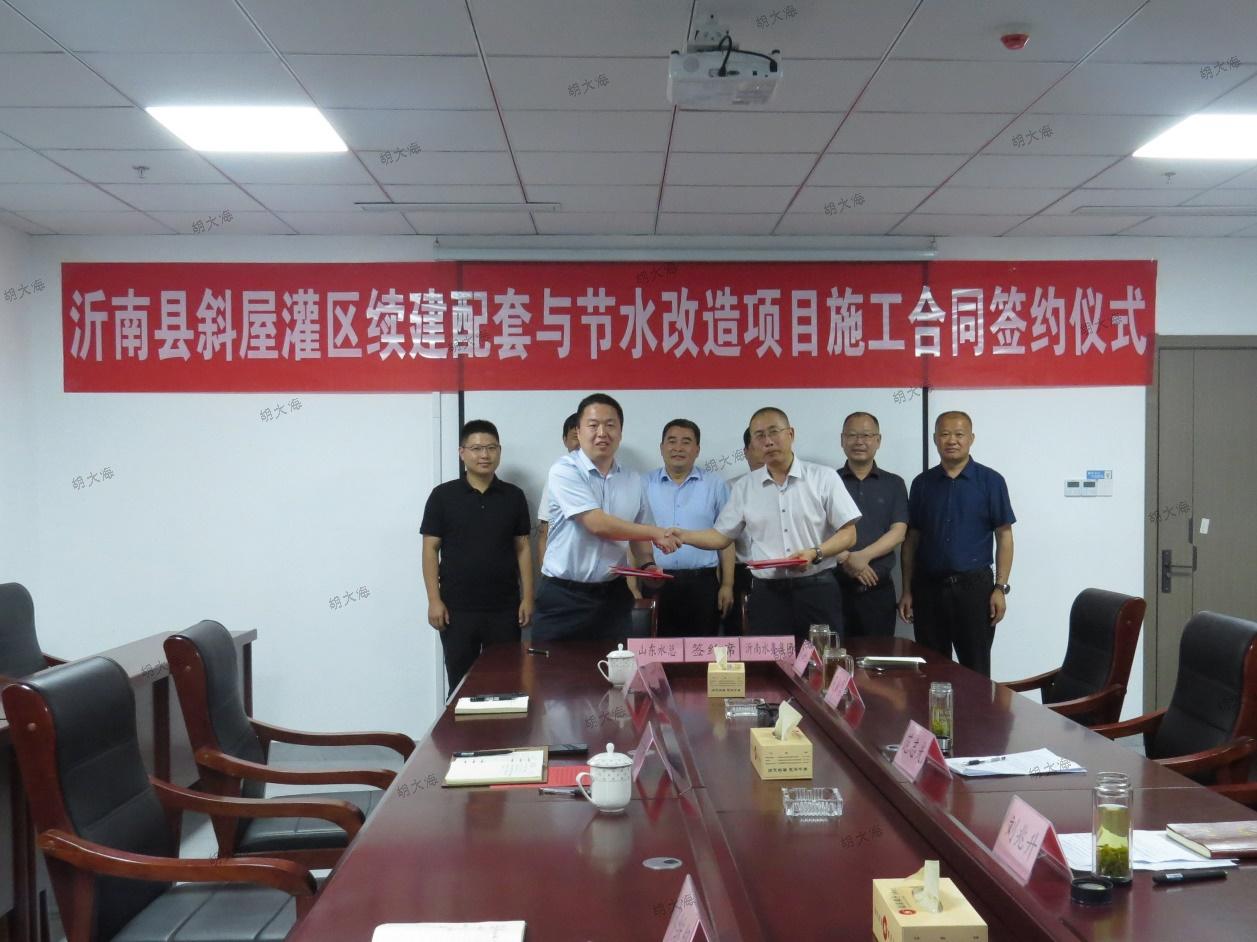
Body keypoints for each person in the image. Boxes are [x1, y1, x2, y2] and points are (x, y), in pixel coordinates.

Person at [669, 407, 860, 644]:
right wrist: (682, 535)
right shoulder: (745, 487)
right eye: (759, 435)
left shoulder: (823, 477)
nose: (768, 441)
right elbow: (720, 537)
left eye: (773, 432)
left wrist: (815, 553)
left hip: (817, 589)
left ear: (790, 434)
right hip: (767, 594)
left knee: (822, 659)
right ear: (752, 443)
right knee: (768, 663)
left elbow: (849, 533)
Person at [532, 393, 679, 643]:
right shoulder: (564, 470)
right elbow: (597, 523)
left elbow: (640, 532)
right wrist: (656, 533)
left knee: (615, 666)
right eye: (593, 425)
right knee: (554, 668)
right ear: (578, 432)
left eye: (610, 425)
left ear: (620, 433)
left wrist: (648, 566)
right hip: (564, 597)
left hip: (612, 596)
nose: (602, 433)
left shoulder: (633, 479)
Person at [897, 411, 1015, 677]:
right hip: (928, 588)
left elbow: (1004, 536)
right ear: (935, 439)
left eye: (959, 434)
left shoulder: (991, 481)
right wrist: (906, 590)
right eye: (945, 434)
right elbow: (911, 539)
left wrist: (1000, 588)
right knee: (930, 669)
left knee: (976, 671)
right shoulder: (922, 484)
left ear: (971, 438)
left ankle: (976, 709)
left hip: (974, 589)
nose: (952, 440)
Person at [421, 420, 533, 691]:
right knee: (461, 684)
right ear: (462, 453)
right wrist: (434, 600)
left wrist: (528, 597)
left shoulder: (514, 496)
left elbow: (523, 548)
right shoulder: (442, 496)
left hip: (505, 608)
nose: (485, 455)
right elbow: (430, 549)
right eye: (477, 448)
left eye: (491, 448)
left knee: (506, 682)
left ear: (499, 451)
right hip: (457, 610)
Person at [644, 419, 734, 636]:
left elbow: (727, 538)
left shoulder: (715, 485)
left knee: (703, 649)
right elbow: (633, 537)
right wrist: (633, 587)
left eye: (686, 442)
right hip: (656, 581)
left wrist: (727, 585)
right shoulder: (643, 484)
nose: (678, 448)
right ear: (661, 447)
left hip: (702, 584)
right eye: (672, 441)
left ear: (697, 450)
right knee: (657, 649)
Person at [835, 412, 909, 638]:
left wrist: (862, 557)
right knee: (833, 654)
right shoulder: (828, 481)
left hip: (878, 590)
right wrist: (846, 558)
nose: (859, 441)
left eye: (866, 435)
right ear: (842, 440)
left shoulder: (894, 483)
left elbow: (899, 532)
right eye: (852, 435)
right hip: (834, 587)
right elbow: (816, 530)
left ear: (878, 440)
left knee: (878, 656)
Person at [720, 427, 764, 635]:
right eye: (757, 445)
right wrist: (727, 583)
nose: (765, 449)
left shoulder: (792, 486)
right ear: (746, 452)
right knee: (738, 634)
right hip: (741, 572)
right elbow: (725, 537)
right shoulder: (732, 487)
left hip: (781, 571)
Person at [535, 412, 580, 569]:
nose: (581, 444)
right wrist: (545, 574)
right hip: (561, 571)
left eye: (586, 437)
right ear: (565, 440)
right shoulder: (556, 476)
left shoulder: (609, 478)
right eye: (575, 437)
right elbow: (544, 531)